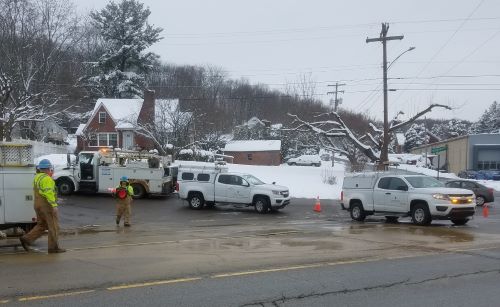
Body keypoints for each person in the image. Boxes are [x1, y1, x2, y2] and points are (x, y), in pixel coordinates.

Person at [20, 159, 65, 253]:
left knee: (42, 225)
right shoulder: (47, 179)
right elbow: (48, 192)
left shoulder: (37, 177)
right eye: (50, 169)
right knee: (53, 226)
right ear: (48, 168)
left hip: (37, 204)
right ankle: (53, 248)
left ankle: (27, 239)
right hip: (46, 205)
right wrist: (54, 205)